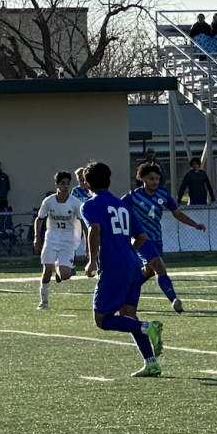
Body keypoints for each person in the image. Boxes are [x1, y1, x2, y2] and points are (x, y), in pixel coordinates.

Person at [78, 161, 164, 377]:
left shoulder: (89, 205)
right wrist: (128, 251)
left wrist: (91, 260)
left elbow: (94, 228)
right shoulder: (123, 205)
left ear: (86, 184)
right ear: (109, 181)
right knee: (128, 315)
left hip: (114, 267)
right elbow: (142, 236)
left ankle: (147, 327)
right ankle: (151, 362)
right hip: (133, 265)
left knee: (102, 320)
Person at [123, 162, 206, 313]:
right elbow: (118, 210)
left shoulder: (163, 194)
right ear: (143, 179)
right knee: (160, 268)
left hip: (157, 239)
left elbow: (177, 213)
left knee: (148, 271)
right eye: (151, 178)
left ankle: (125, 290)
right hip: (141, 240)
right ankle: (174, 300)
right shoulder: (133, 197)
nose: (154, 181)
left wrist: (195, 224)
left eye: (157, 178)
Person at [33, 172, 81, 310]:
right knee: (47, 271)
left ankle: (63, 269)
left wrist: (87, 243)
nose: (66, 186)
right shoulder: (49, 201)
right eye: (62, 183)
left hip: (67, 239)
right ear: (56, 185)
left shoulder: (75, 203)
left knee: (64, 275)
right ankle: (44, 302)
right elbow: (39, 219)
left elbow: (82, 222)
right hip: (52, 237)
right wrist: (37, 237)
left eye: (68, 183)